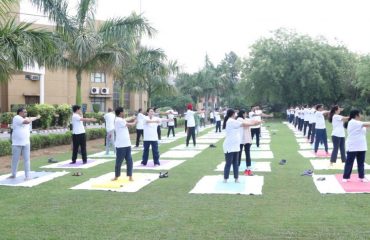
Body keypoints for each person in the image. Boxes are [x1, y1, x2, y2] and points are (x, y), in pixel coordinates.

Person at [223, 108, 258, 183]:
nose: (236, 114)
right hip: (229, 145)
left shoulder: (233, 121)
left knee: (235, 163)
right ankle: (225, 178)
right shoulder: (231, 121)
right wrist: (255, 124)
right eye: (235, 113)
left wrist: (254, 123)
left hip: (235, 145)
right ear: (232, 114)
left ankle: (236, 178)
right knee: (228, 163)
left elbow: (246, 122)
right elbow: (244, 124)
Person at [8, 108, 40, 180]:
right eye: (24, 112)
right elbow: (27, 121)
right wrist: (35, 118)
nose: (26, 113)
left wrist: (36, 117)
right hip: (17, 143)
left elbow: (29, 119)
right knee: (15, 160)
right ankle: (13, 174)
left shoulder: (25, 118)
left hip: (26, 142)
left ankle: (27, 176)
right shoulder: (17, 118)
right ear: (20, 112)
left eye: (26, 112)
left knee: (27, 159)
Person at [342, 109, 370, 182]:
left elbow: (367, 126)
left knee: (361, 163)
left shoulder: (359, 123)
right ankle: (345, 177)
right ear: (356, 115)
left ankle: (361, 177)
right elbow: (366, 124)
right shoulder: (352, 122)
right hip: (353, 146)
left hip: (361, 145)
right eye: (359, 114)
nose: (360, 116)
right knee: (349, 162)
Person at [112, 107, 137, 181]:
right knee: (119, 161)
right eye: (123, 112)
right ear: (120, 113)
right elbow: (130, 124)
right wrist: (135, 121)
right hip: (121, 145)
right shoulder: (118, 120)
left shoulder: (120, 119)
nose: (124, 113)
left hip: (127, 144)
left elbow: (126, 120)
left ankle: (130, 176)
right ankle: (116, 176)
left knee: (129, 160)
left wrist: (132, 117)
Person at [237, 110, 261, 176]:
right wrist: (254, 123)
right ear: (242, 114)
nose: (246, 114)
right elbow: (246, 123)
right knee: (239, 154)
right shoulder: (239, 119)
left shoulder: (246, 119)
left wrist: (258, 122)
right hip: (241, 140)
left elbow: (253, 121)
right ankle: (237, 169)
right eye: (245, 113)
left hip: (247, 139)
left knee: (248, 154)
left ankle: (248, 169)